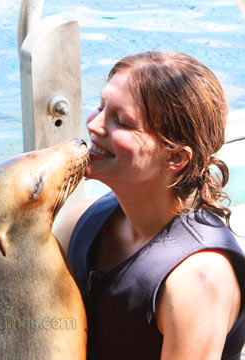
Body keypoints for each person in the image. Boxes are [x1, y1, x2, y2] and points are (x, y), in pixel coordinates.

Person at [54, 51, 245, 359]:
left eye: (122, 121)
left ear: (175, 158)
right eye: (102, 106)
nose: (94, 125)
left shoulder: (198, 279)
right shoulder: (77, 223)